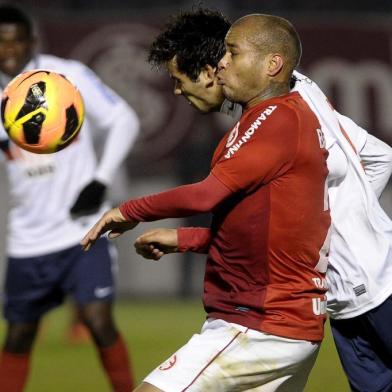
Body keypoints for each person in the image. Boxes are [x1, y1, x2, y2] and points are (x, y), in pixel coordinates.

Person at [144, 8, 392, 392]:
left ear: (212, 71)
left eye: (180, 79)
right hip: (342, 303)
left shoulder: (287, 107)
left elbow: (370, 160)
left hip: (377, 284)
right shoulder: (283, 100)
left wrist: (329, 228)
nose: (178, 91)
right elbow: (378, 155)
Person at [82, 13, 331, 392]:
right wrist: (184, 240)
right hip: (283, 323)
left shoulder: (276, 118)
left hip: (258, 323)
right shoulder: (269, 120)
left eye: (179, 80)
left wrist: (128, 211)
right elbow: (259, 233)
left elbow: (204, 194)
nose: (223, 63)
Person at [0, 5, 139, 391]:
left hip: (82, 230)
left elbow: (123, 119)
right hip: (27, 238)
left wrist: (100, 180)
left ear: (33, 42)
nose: (8, 49)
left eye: (15, 40)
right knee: (18, 336)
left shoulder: (68, 76)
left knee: (98, 321)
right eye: (0, 42)